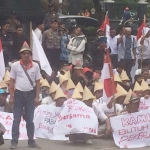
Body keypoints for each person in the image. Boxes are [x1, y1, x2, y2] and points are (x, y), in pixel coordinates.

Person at [9, 42, 41, 149]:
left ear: (30, 55)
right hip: (18, 94)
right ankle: (14, 142)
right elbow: (12, 81)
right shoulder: (15, 65)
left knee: (30, 120)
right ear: (21, 55)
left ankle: (31, 141)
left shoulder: (36, 66)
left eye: (28, 53)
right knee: (16, 119)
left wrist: (37, 96)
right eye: (24, 53)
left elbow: (38, 82)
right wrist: (12, 96)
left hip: (30, 95)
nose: (26, 55)